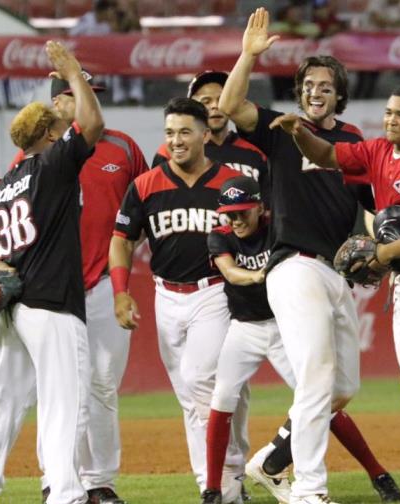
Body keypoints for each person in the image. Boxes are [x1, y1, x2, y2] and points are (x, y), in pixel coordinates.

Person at [270, 84, 400, 504]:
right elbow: (327, 155)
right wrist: (298, 133)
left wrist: (381, 253)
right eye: (388, 112)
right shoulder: (378, 150)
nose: (391, 120)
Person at [218, 8, 377, 504]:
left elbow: (372, 207)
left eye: (325, 84)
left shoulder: (355, 143)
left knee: (342, 385)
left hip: (337, 272)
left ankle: (271, 461)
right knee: (316, 376)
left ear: (339, 94)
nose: (315, 90)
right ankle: (310, 489)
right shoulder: (280, 129)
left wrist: (380, 252)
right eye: (308, 83)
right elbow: (228, 104)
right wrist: (248, 55)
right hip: (293, 266)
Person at [0, 40, 104, 504]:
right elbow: (94, 124)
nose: (66, 133)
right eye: (59, 128)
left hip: (13, 310)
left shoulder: (1, 191)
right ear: (45, 136)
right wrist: (74, 72)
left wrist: (5, 270)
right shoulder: (51, 166)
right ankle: (66, 494)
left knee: (2, 405)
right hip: (52, 304)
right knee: (64, 405)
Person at [200, 176, 400, 504]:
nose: (236, 220)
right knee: (222, 396)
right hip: (244, 329)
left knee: (329, 396)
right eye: (230, 214)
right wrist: (259, 274)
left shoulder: (279, 231)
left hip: (281, 327)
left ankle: (373, 472)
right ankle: (212, 489)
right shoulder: (220, 237)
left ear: (261, 206)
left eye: (242, 212)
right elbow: (231, 272)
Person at [109, 97, 246, 501]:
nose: (176, 140)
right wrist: (120, 292)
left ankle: (218, 483)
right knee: (193, 399)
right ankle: (218, 480)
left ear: (206, 134)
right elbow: (121, 241)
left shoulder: (231, 182)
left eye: (185, 131)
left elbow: (256, 231)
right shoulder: (146, 184)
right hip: (165, 295)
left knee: (198, 382)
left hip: (215, 291)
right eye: (170, 132)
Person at [39, 70, 149, 504]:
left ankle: (100, 481)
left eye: (89, 93)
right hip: (53, 288)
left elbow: (146, 201)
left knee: (103, 383)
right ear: (56, 105)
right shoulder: (40, 149)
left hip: (105, 282)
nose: (84, 101)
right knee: (57, 388)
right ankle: (57, 478)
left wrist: (129, 251)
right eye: (73, 95)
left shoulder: (122, 147)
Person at [151, 71, 269, 201]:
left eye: (222, 99)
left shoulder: (257, 151)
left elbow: (267, 208)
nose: (215, 106)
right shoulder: (170, 152)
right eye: (206, 101)